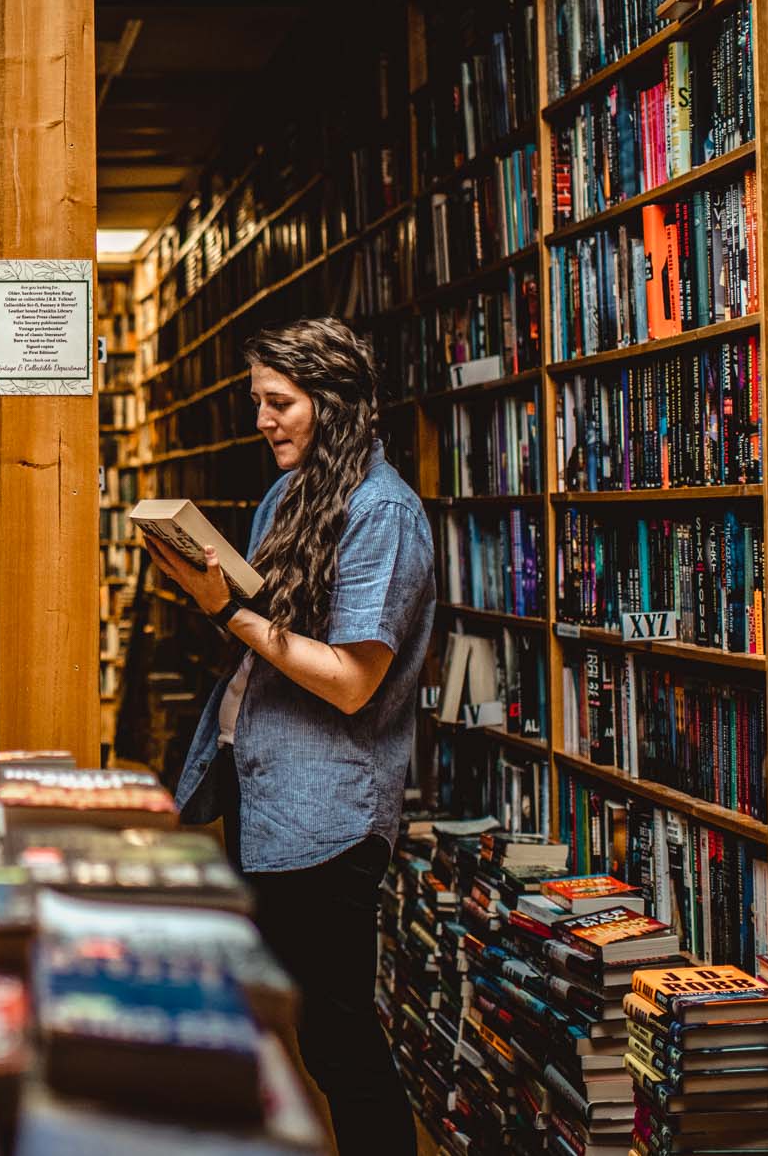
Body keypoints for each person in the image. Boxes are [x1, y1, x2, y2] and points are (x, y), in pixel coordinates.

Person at [143, 317, 431, 1156]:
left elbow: (349, 678)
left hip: (325, 810)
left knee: (339, 1036)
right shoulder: (290, 491)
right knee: (283, 1019)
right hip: (259, 781)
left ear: (332, 404)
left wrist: (225, 608)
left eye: (280, 402)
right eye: (257, 401)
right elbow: (274, 629)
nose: (263, 420)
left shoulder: (384, 514)